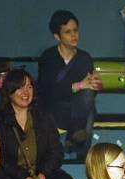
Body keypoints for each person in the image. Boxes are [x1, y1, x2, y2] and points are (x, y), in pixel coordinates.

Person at [0, 69, 76, 179]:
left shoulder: (42, 115)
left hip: (42, 173)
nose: (26, 92)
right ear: (9, 91)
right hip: (12, 176)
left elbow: (56, 151)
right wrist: (24, 178)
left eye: (29, 86)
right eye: (20, 87)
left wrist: (43, 174)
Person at [38, 10, 100, 159]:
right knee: (85, 115)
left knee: (88, 101)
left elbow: (89, 89)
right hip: (55, 108)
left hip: (79, 106)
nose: (74, 35)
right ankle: (76, 136)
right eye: (68, 32)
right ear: (57, 36)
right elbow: (48, 91)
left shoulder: (84, 58)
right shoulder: (49, 57)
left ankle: (82, 157)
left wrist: (94, 84)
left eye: (75, 30)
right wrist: (77, 86)